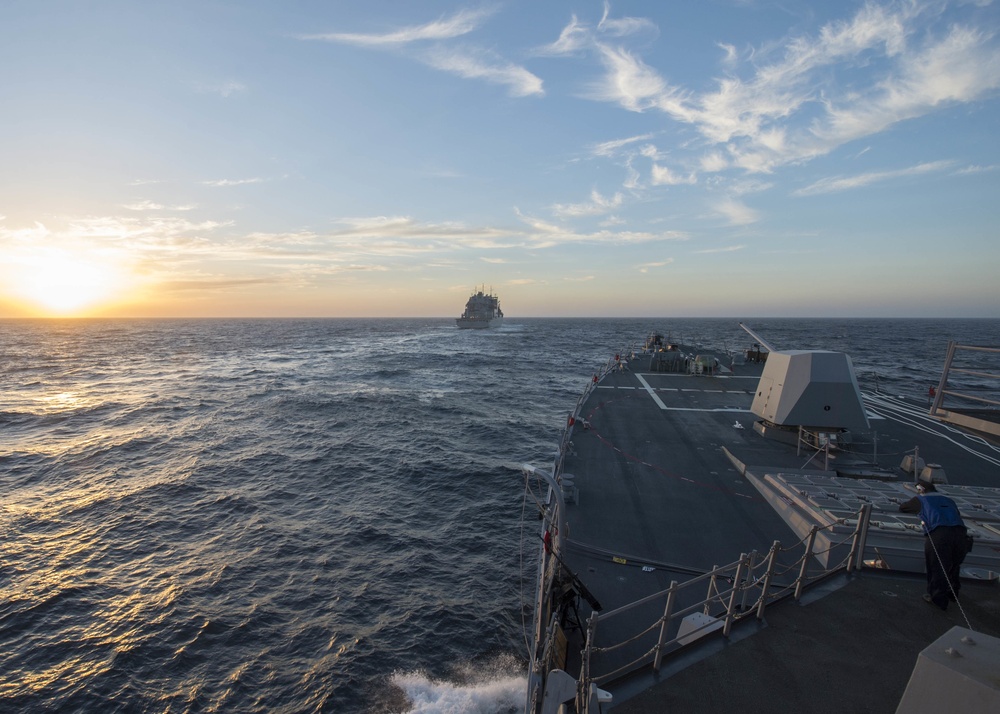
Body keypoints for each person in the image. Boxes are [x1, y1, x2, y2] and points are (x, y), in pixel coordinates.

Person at [899, 481, 968, 610]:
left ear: (921, 489)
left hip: (939, 533)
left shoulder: (921, 499)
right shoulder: (949, 500)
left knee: (937, 565)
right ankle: (952, 594)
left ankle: (938, 600)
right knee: (954, 565)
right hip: (961, 532)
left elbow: (903, 507)